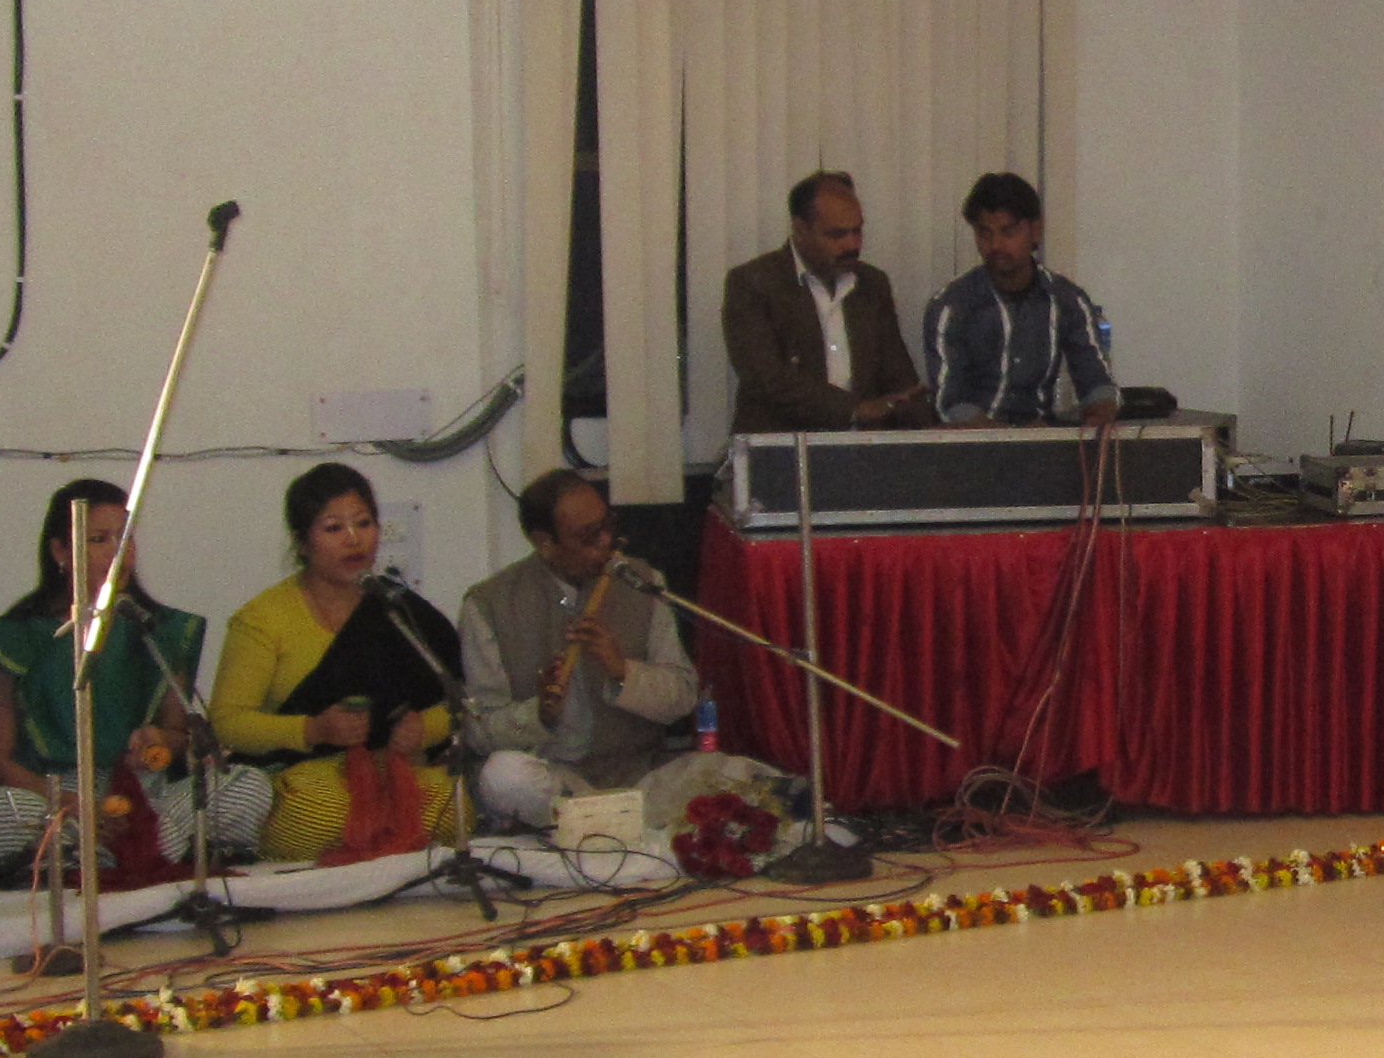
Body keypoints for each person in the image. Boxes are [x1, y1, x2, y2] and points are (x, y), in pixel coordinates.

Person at [0, 478, 268, 879]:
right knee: (2, 808)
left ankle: (111, 854)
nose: (119, 553)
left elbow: (176, 737)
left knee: (249, 784)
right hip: (56, 795)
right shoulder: (14, 639)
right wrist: (76, 804)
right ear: (60, 551)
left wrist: (157, 743)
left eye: (126, 538)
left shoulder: (161, 629)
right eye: (99, 540)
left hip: (142, 792)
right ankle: (140, 852)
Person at [209, 463, 465, 861]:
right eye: (333, 528)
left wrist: (422, 730)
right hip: (304, 776)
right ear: (302, 541)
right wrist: (313, 729)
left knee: (455, 807)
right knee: (324, 813)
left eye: (364, 523)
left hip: (393, 770)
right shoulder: (262, 619)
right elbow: (228, 723)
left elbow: (456, 699)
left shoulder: (398, 609)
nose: (353, 540)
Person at [460, 467, 699, 830]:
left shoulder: (643, 582)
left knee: (736, 775)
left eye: (608, 525)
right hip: (555, 782)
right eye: (588, 536)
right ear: (545, 543)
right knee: (504, 776)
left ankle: (602, 826)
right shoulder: (487, 605)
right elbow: (479, 733)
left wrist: (621, 671)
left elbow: (682, 697)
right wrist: (539, 714)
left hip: (640, 775)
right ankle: (604, 825)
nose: (606, 542)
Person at [723, 171, 935, 433]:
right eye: (837, 235)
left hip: (861, 446)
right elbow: (766, 378)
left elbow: (897, 373)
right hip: (779, 443)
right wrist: (855, 410)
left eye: (857, 231)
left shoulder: (872, 283)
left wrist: (928, 430)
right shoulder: (754, 282)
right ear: (800, 229)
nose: (852, 245)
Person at [922, 171, 1118, 428]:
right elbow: (951, 403)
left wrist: (1098, 415)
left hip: (1044, 439)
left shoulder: (1068, 300)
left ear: (1035, 231)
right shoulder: (950, 307)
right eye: (984, 233)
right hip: (973, 444)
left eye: (1008, 232)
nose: (995, 245)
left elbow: (1097, 381)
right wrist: (1015, 438)